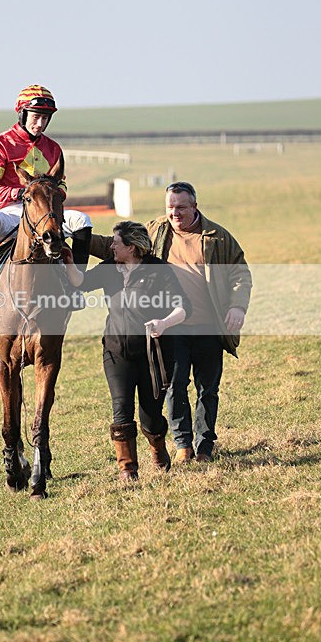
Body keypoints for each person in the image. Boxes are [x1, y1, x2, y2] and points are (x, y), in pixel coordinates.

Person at [90, 182, 252, 463]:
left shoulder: (217, 237)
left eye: (181, 207)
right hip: (171, 325)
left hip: (209, 325)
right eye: (170, 207)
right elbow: (116, 245)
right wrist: (76, 236)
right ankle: (182, 445)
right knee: (174, 386)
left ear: (195, 207)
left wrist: (237, 306)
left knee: (208, 389)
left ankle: (205, 446)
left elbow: (240, 273)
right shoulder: (156, 230)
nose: (174, 213)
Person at [62, 221, 191, 482]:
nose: (111, 246)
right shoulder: (109, 268)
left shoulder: (159, 270)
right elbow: (81, 282)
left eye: (116, 243)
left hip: (152, 355)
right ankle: (127, 469)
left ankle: (158, 450)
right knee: (121, 408)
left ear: (131, 247)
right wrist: (69, 263)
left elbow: (183, 307)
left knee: (150, 416)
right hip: (116, 352)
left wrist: (163, 323)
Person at [0, 85, 92, 309]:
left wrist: (52, 195)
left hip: (45, 211)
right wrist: (19, 193)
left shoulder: (53, 148)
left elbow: (62, 183)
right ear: (22, 114)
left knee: (82, 220)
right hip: (10, 211)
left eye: (45, 119)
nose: (40, 124)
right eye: (36, 117)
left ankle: (75, 285)